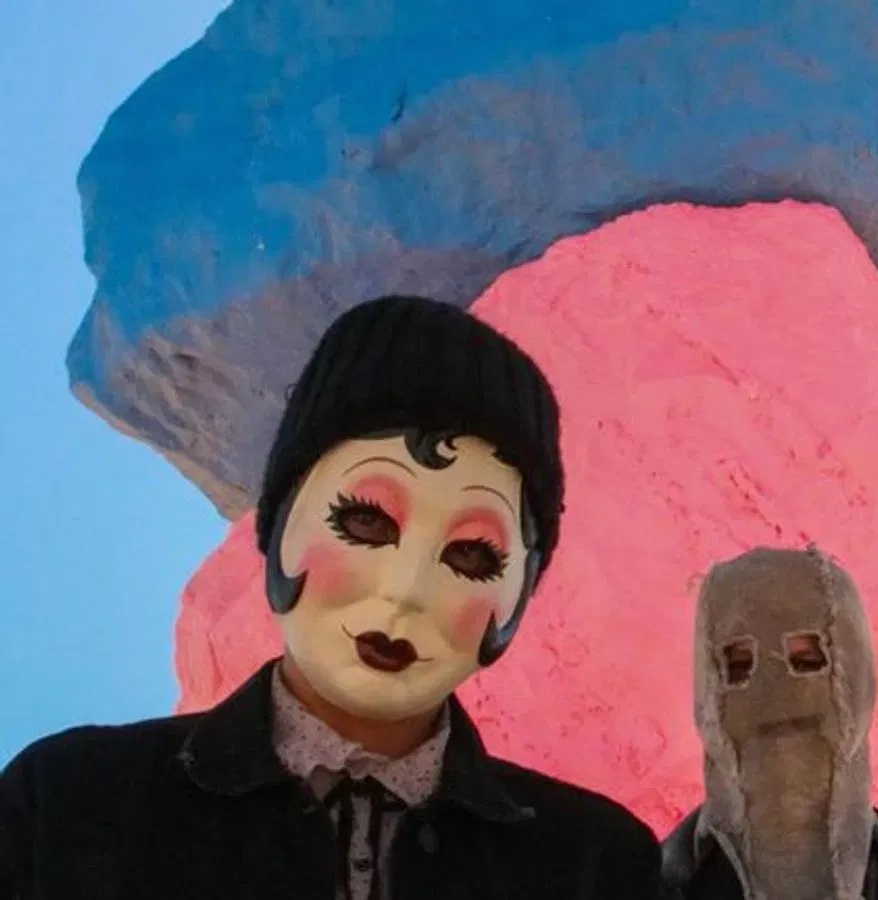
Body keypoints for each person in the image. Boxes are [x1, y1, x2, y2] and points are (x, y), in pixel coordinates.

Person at [0, 295, 661, 899]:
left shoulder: (598, 868)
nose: (405, 590)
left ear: (519, 593)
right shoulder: (66, 809)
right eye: (367, 521)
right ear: (280, 519)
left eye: (471, 554)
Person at [661, 546, 878, 900]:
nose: (775, 693)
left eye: (807, 662)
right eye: (740, 667)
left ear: (856, 675)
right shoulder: (647, 882)